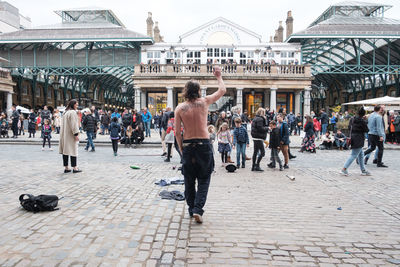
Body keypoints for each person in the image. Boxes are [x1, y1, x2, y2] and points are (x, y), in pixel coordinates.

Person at [174, 66, 226, 224]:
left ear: (185, 91)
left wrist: (182, 149)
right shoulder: (204, 102)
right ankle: (197, 209)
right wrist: (218, 76)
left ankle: (191, 209)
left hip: (189, 145)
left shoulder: (180, 108)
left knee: (189, 180)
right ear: (198, 91)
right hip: (203, 144)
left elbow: (177, 133)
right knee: (204, 179)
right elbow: (222, 90)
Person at [341, 107, 371, 176]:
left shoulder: (352, 119)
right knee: (353, 155)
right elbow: (367, 130)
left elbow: (349, 127)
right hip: (359, 138)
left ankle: (363, 170)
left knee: (361, 155)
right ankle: (344, 169)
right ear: (364, 114)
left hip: (353, 137)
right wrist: (366, 121)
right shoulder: (362, 121)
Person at [59, 99, 81, 173]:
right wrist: (76, 134)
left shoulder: (65, 112)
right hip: (70, 135)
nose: (77, 106)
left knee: (65, 151)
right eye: (76, 104)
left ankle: (66, 167)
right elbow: (74, 124)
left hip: (64, 135)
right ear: (73, 104)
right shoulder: (73, 113)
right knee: (73, 150)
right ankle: (75, 168)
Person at [251, 108, 268, 172]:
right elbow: (260, 128)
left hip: (255, 137)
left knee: (255, 152)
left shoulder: (255, 118)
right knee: (262, 153)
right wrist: (267, 128)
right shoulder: (260, 119)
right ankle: (257, 165)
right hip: (259, 137)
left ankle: (253, 166)